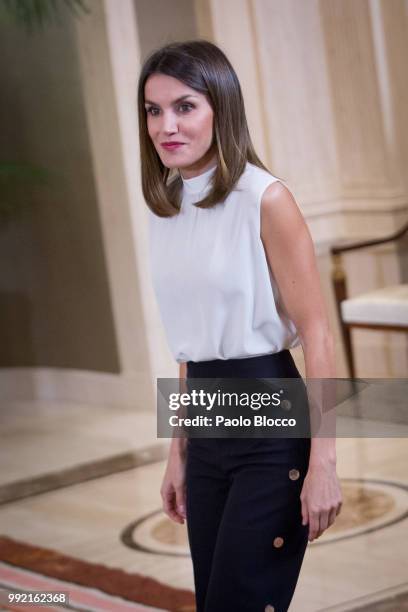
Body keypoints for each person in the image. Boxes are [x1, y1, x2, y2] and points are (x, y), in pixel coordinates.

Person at [137, 39, 342, 612]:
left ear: (219, 108)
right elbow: (189, 339)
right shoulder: (167, 205)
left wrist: (324, 463)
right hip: (204, 421)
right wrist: (178, 449)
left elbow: (319, 337)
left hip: (270, 424)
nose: (165, 125)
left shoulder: (266, 198)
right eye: (153, 111)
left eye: (184, 107)